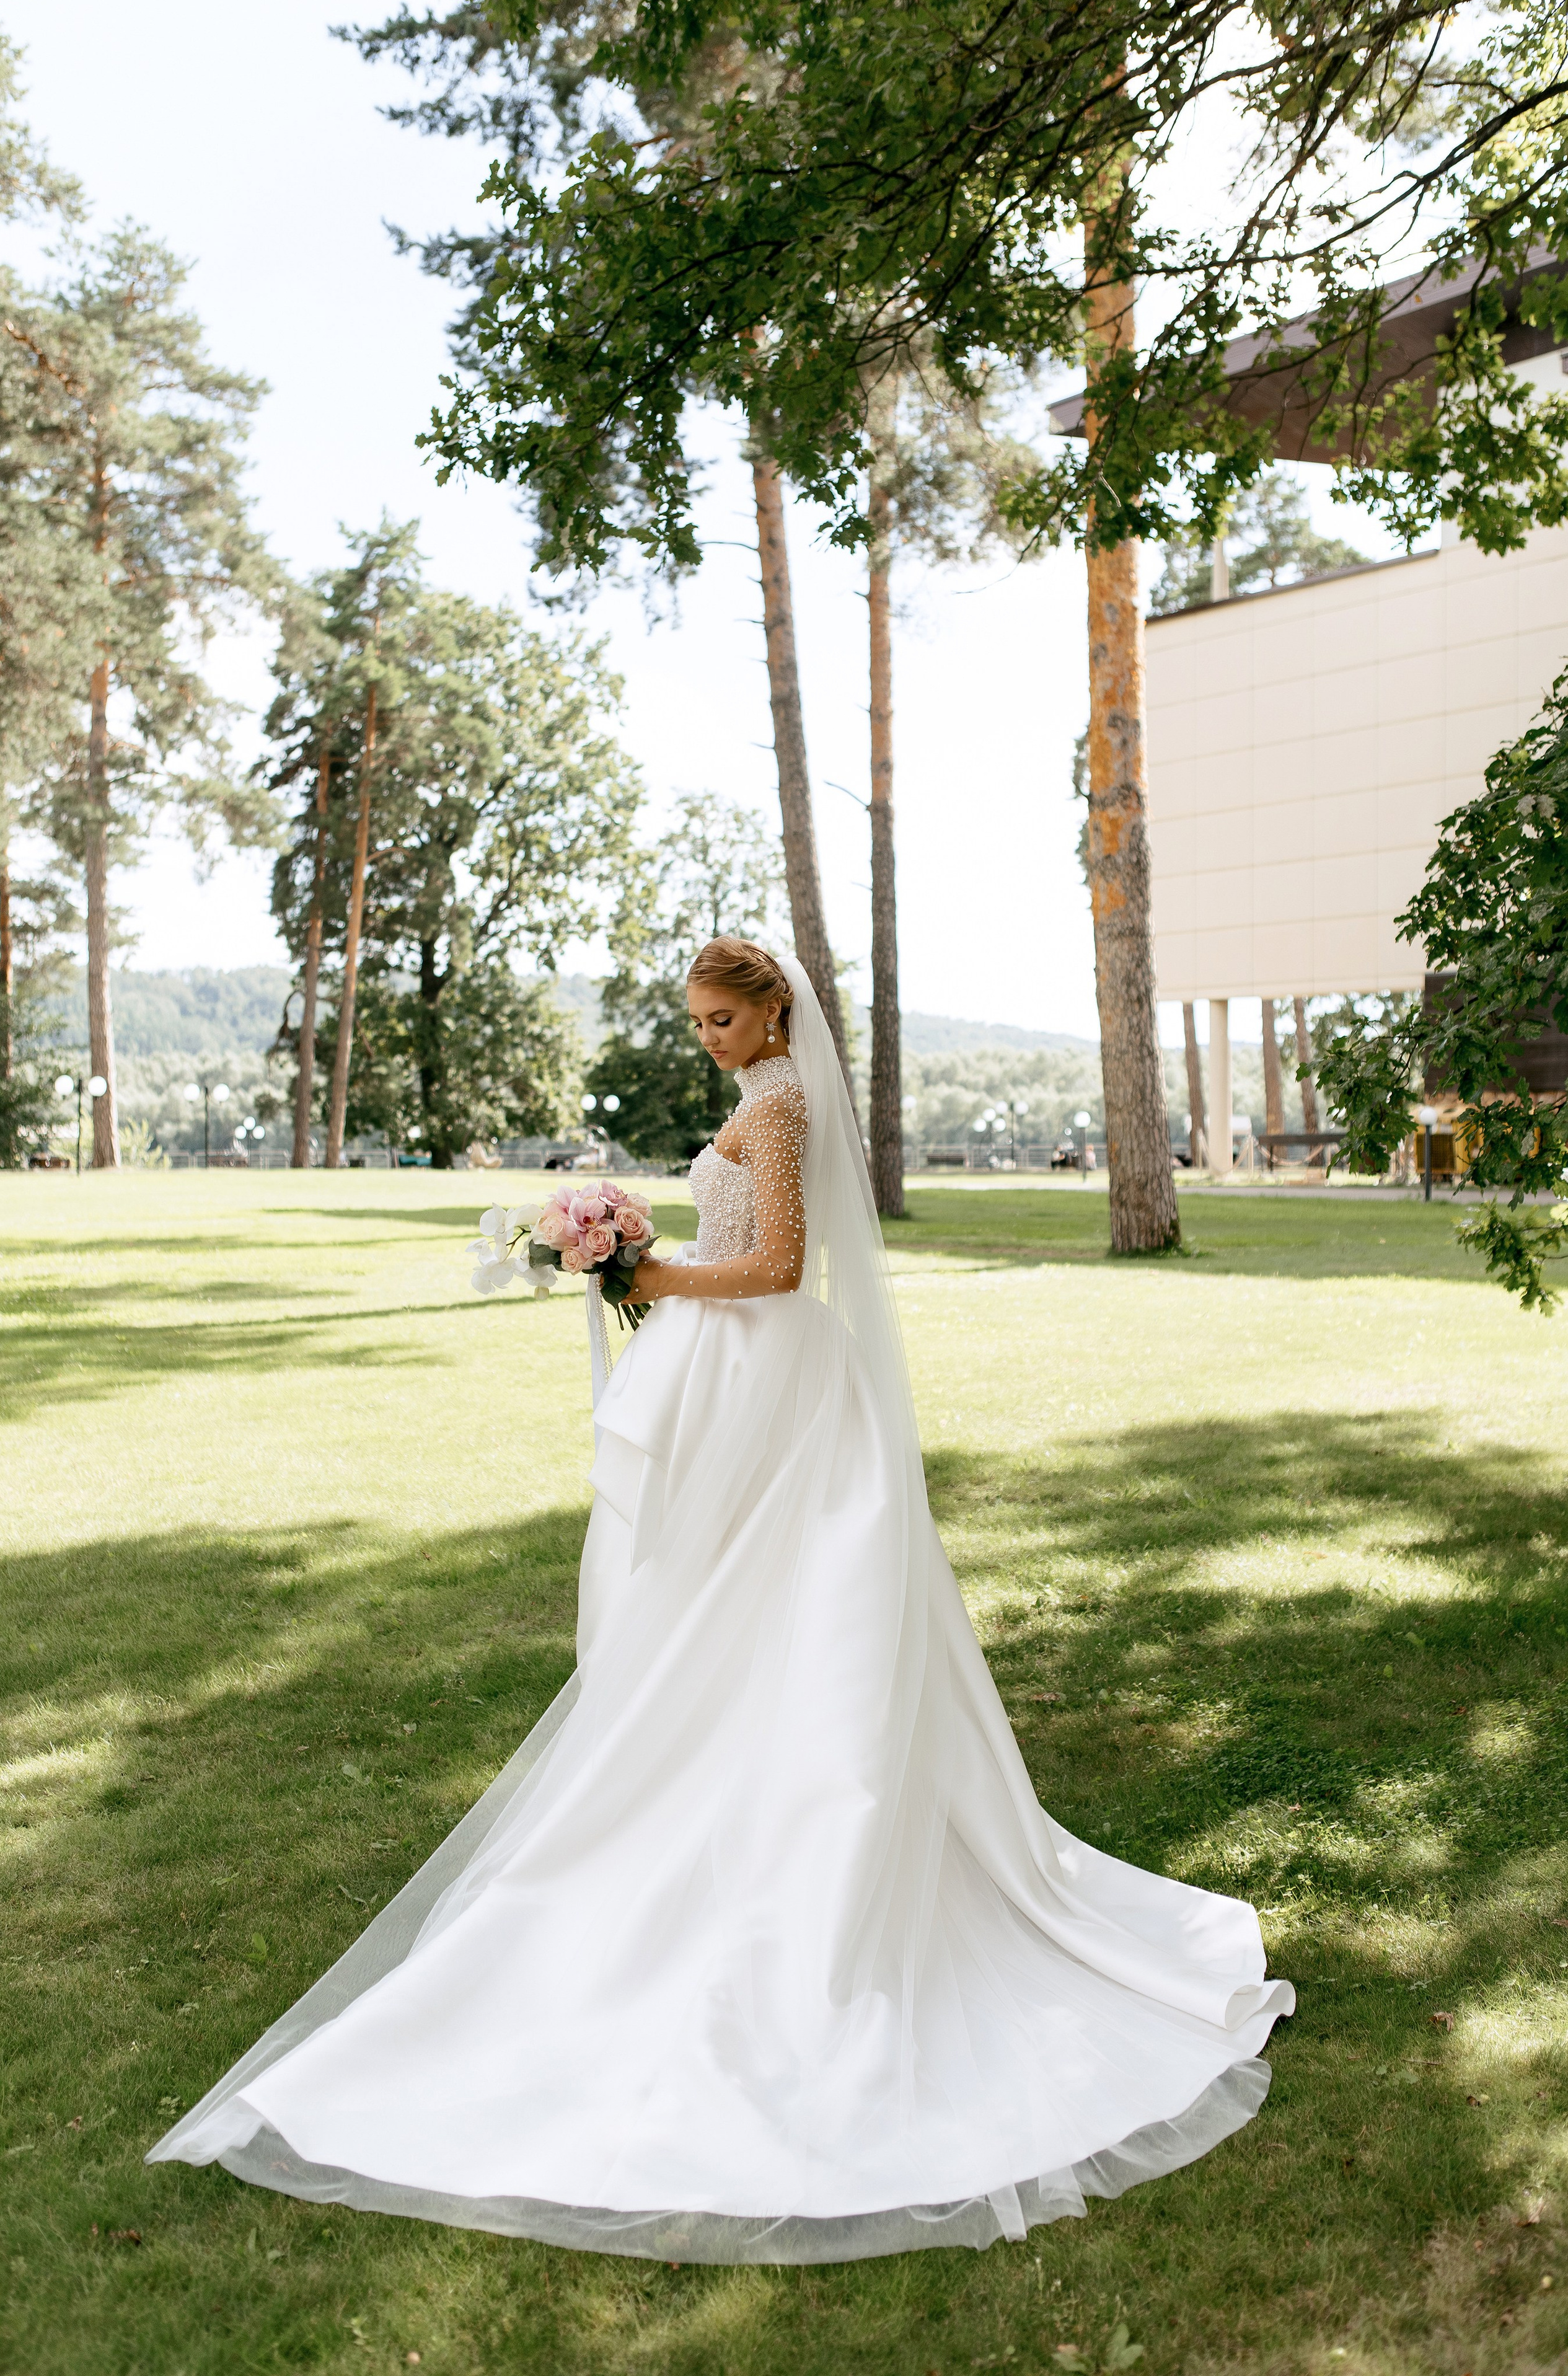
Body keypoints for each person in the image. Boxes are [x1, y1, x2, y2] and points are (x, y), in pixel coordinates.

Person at [150, 938, 1292, 2265]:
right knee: (716, 1608)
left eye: (720, 1018)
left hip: (772, 1371)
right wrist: (634, 1255)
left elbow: (774, 1270)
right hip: (748, 1377)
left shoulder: (785, 1103)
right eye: (693, 1021)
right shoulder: (760, 1099)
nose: (706, 1038)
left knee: (773, 1607)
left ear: (769, 1012)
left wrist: (646, 1276)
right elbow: (743, 1246)